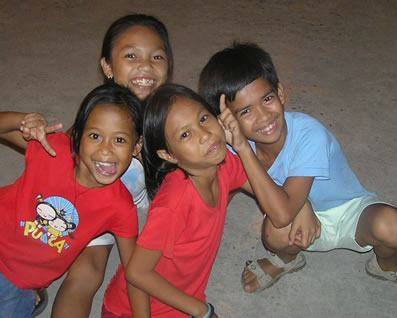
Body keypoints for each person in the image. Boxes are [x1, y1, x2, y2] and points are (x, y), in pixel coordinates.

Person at [198, 42, 397, 297]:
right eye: (246, 111)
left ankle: (389, 266)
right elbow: (225, 191)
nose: (263, 117)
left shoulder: (309, 133)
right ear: (227, 121)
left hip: (349, 212)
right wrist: (301, 205)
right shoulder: (232, 151)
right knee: (274, 232)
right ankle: (286, 259)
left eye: (268, 99)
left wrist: (244, 149)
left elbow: (282, 212)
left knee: (395, 228)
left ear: (281, 93)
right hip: (293, 218)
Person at [101, 83, 315, 317]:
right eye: (185, 134)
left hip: (183, 300)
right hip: (134, 311)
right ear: (169, 155)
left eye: (203, 119)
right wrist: (202, 311)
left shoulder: (224, 166)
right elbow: (137, 273)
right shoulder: (174, 204)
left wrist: (302, 204)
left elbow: (268, 194)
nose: (204, 135)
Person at [48, 13, 173, 317]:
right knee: (86, 273)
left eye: (157, 56)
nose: (145, 66)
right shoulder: (98, 119)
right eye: (131, 55)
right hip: (101, 207)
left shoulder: (174, 111)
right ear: (107, 66)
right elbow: (61, 157)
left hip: (149, 207)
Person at [0, 83, 145, 317]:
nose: (106, 150)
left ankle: (29, 295)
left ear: (137, 146)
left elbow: (136, 273)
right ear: (77, 137)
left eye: (119, 140)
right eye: (95, 136)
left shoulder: (120, 207)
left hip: (18, 283)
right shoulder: (52, 149)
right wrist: (22, 120)